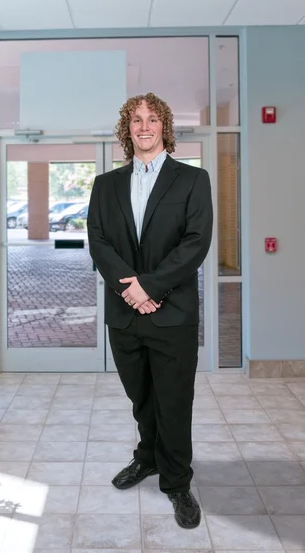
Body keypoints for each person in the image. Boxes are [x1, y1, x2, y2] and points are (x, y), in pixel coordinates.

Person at [87, 92, 213, 529]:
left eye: (152, 118)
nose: (144, 126)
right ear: (128, 129)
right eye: (136, 119)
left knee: (174, 401)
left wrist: (151, 286)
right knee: (141, 397)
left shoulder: (193, 181)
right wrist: (133, 291)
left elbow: (195, 243)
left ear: (165, 127)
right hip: (125, 314)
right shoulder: (105, 185)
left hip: (171, 312)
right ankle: (147, 458)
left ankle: (177, 482)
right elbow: (99, 243)